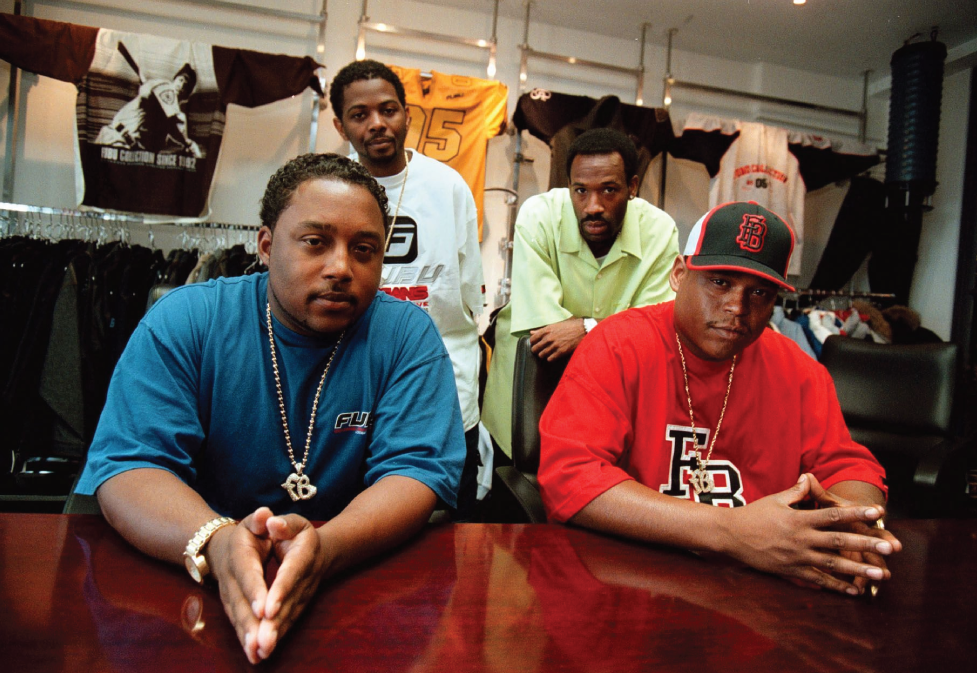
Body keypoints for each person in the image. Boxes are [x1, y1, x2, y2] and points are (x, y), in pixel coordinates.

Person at [74, 153, 466, 663]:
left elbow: (415, 473)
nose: (341, 268)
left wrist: (325, 550)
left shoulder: (406, 336)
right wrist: (214, 541)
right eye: (315, 242)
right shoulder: (186, 321)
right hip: (182, 578)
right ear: (265, 245)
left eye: (365, 249)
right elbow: (131, 465)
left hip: (348, 583)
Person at [537, 201, 902, 596]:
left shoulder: (801, 372)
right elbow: (570, 476)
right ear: (679, 275)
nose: (737, 308)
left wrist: (853, 526)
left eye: (759, 292)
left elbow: (846, 465)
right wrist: (731, 532)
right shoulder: (618, 344)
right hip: (628, 580)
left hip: (755, 594)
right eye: (720, 282)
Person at [329, 60, 485, 519]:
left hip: (442, 383)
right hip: (351, 384)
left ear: (407, 114)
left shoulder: (447, 187)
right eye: (359, 115)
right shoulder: (331, 188)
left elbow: (468, 294)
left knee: (439, 521)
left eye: (388, 109)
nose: (377, 123)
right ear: (340, 125)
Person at [482, 127, 679, 458]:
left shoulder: (659, 231)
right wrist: (615, 331)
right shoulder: (539, 216)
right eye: (580, 190)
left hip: (610, 405)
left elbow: (654, 334)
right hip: (531, 388)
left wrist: (587, 328)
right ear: (568, 185)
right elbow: (545, 334)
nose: (593, 206)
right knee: (514, 493)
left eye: (609, 190)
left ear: (632, 187)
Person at [95, 61, 203, 157]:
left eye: (186, 85)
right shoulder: (164, 86)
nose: (182, 85)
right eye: (181, 80)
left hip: (133, 154)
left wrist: (189, 146)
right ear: (174, 80)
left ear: (186, 96)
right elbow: (145, 91)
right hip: (116, 139)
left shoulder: (177, 117)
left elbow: (175, 133)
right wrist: (187, 142)